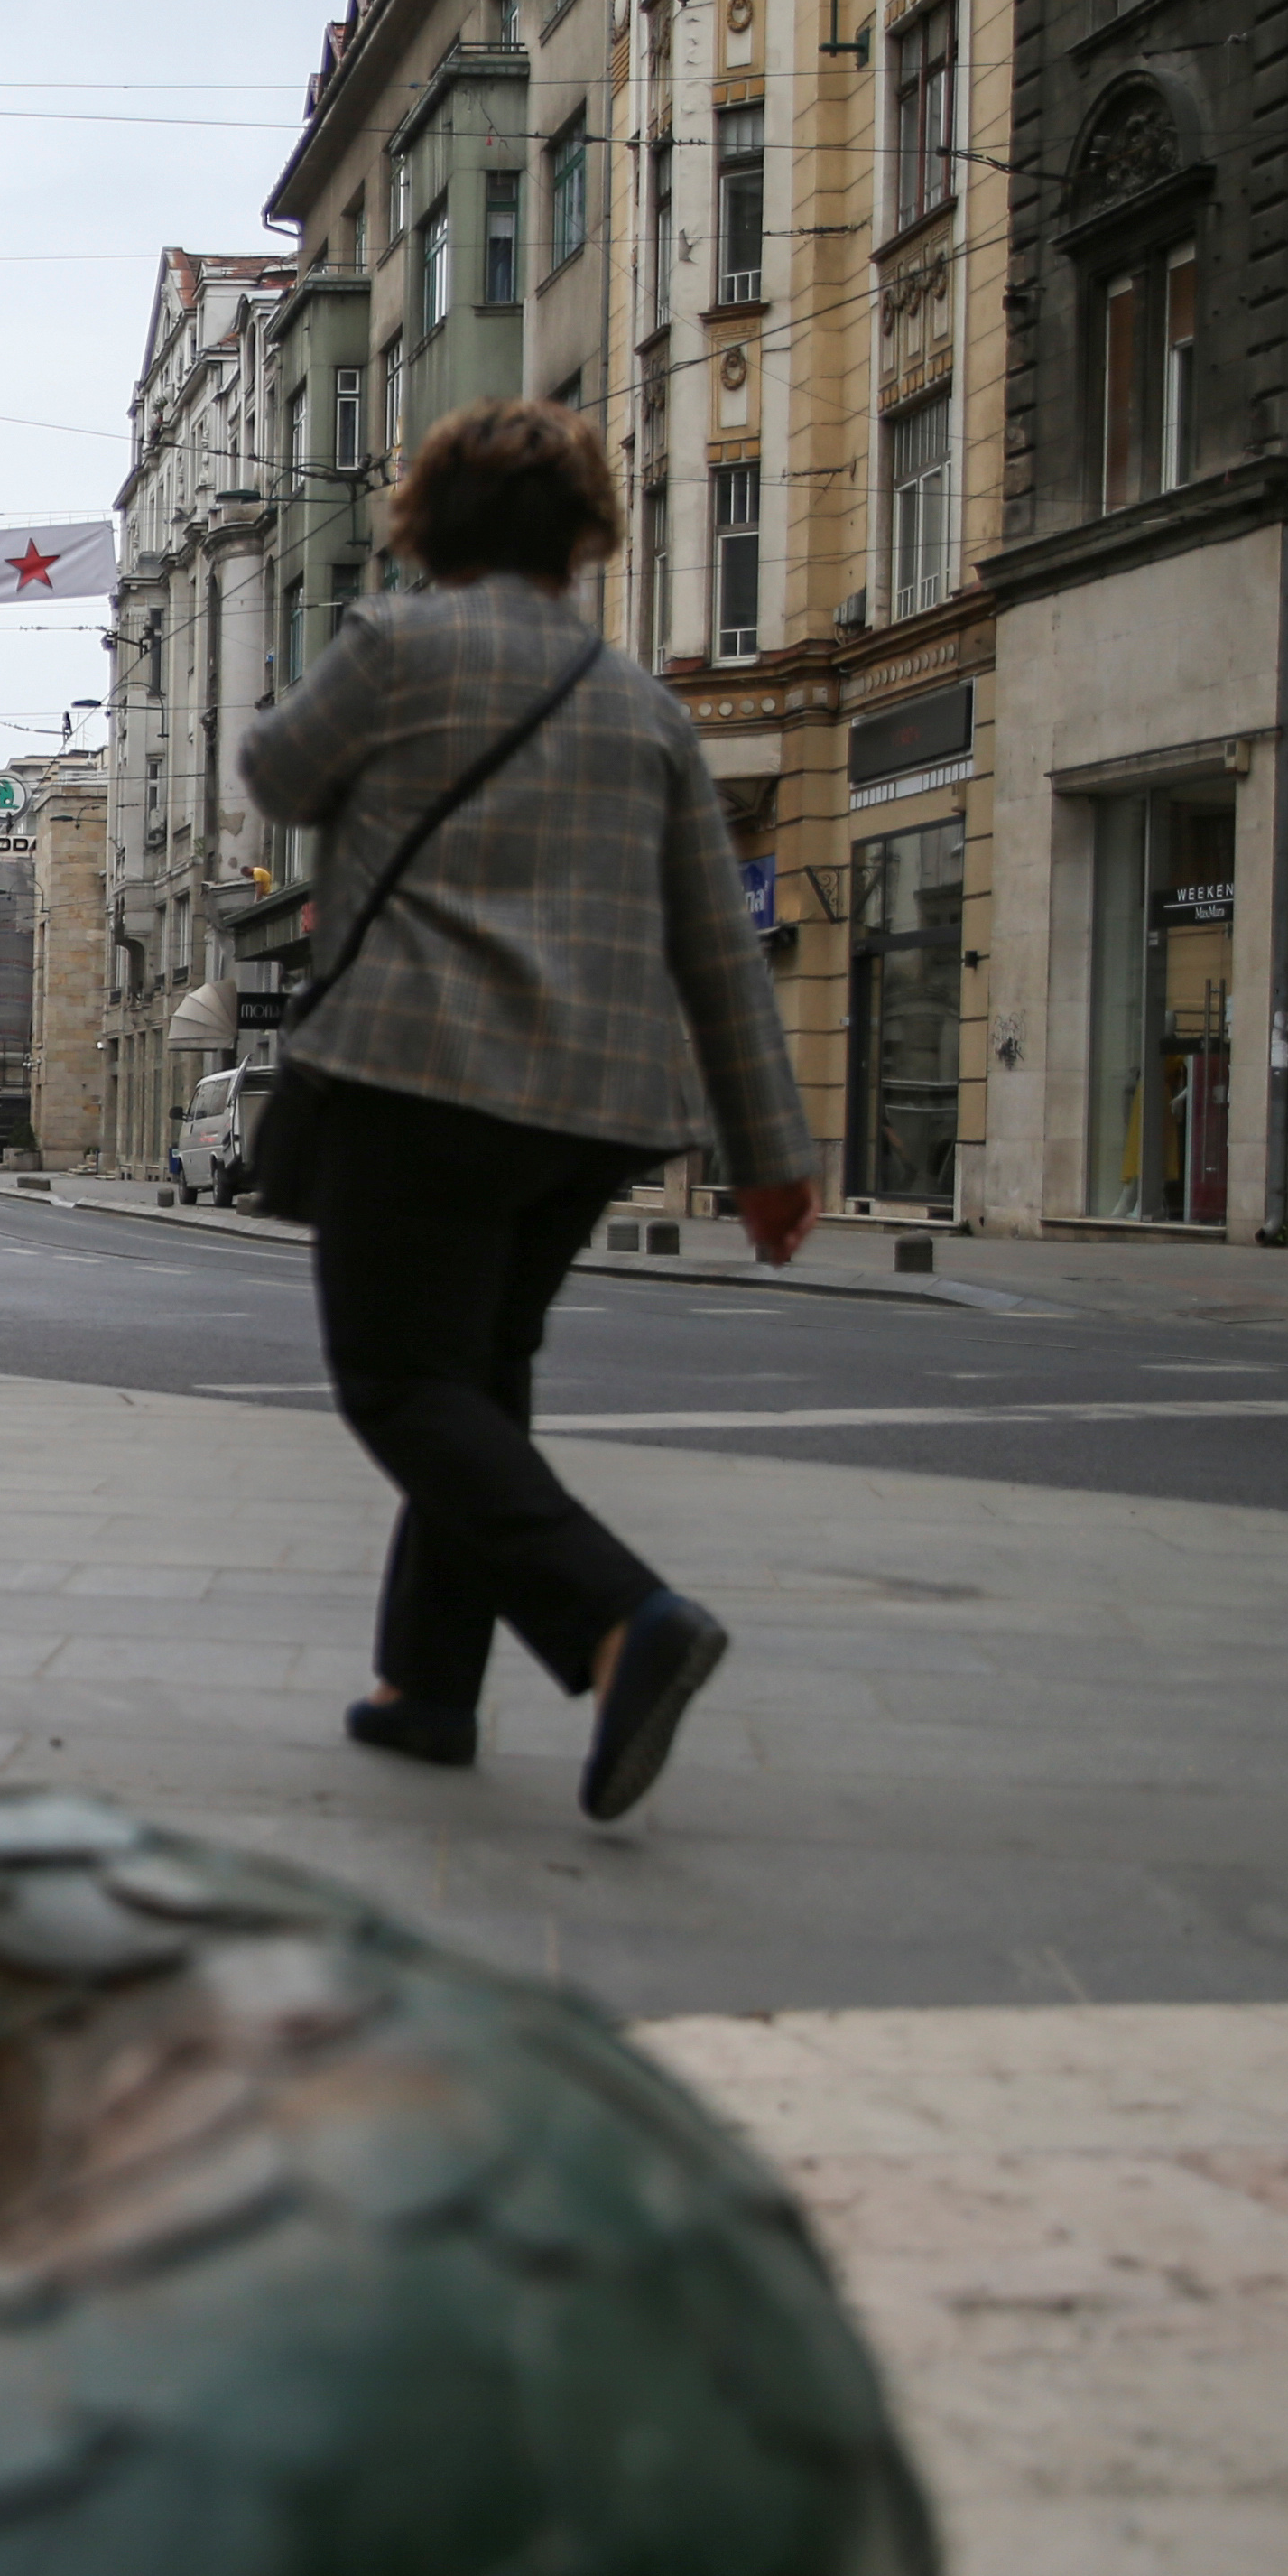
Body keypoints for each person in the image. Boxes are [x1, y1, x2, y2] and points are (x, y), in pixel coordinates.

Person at [238, 399, 816, 1825]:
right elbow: (714, 943)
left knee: (401, 1383)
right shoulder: (646, 705)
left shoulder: (394, 648)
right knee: (477, 1380)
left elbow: (268, 775)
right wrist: (770, 1155)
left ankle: (622, 1615)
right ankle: (425, 1691)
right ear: (584, 537)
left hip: (418, 1068)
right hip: (596, 1111)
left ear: (427, 525)